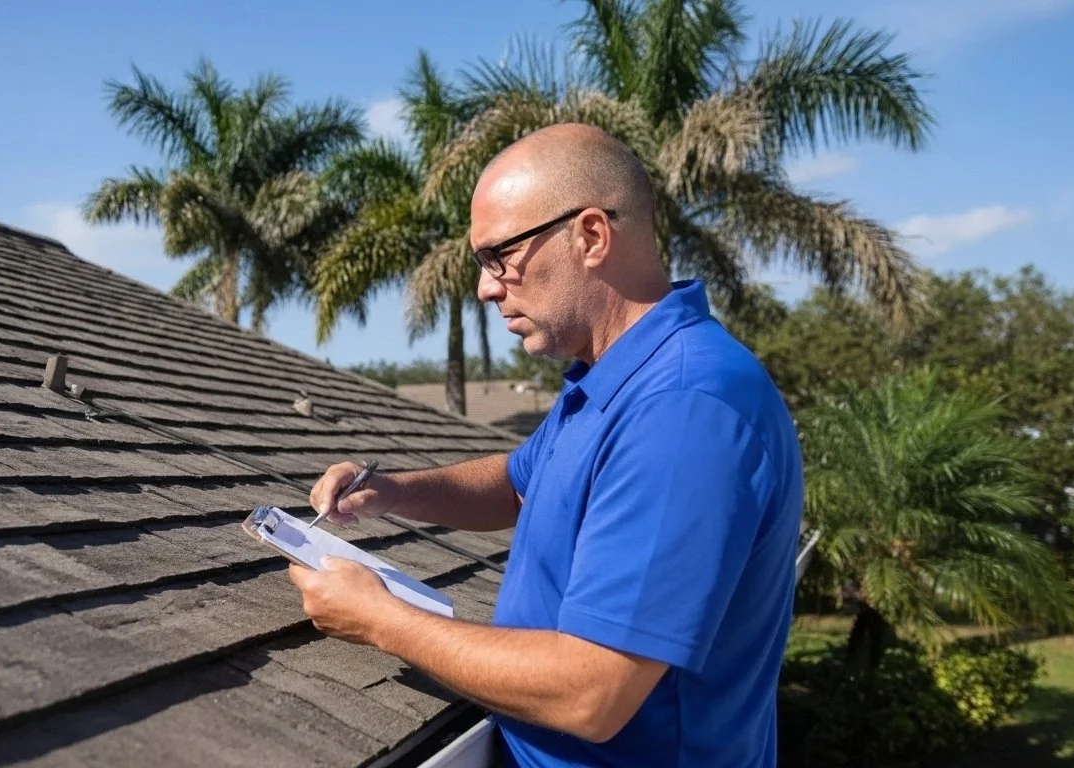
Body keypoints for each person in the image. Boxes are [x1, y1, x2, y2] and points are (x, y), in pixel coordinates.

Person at [288, 123, 804, 767]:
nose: (485, 287)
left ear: (591, 236)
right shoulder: (616, 374)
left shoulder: (682, 408)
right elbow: (519, 484)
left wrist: (381, 620)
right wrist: (391, 492)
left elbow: (593, 693)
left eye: (499, 255)